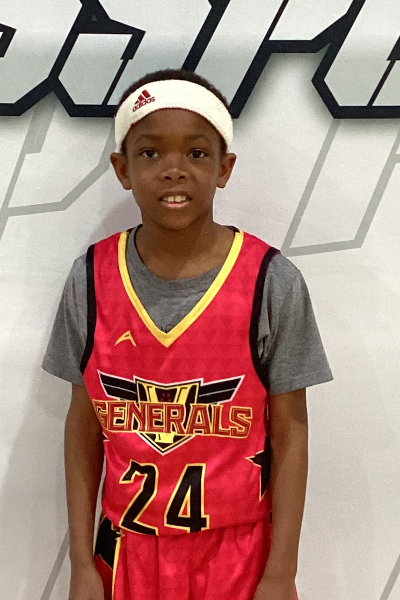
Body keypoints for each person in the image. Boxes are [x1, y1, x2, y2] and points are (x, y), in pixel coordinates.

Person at [42, 68, 333, 600]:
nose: (173, 170)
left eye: (196, 153)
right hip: (125, 553)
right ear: (123, 168)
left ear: (224, 168)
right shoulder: (90, 278)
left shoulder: (271, 281)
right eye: (150, 153)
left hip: (238, 555)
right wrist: (82, 564)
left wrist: (280, 572)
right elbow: (82, 427)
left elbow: (291, 433)